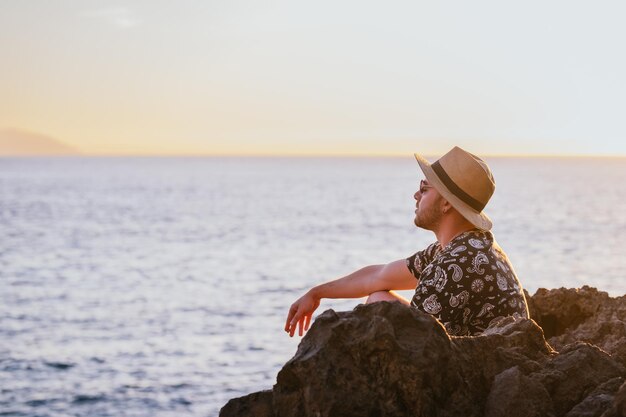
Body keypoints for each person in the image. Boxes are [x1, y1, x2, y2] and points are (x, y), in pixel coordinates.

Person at [284, 146, 529, 337]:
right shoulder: (464, 246)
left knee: (379, 318)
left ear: (446, 203)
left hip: (489, 377)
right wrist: (317, 293)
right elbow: (378, 277)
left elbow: (418, 347)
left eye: (424, 188)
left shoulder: (455, 265)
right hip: (498, 361)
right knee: (378, 299)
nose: (415, 195)